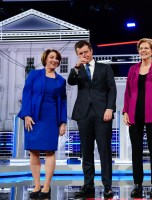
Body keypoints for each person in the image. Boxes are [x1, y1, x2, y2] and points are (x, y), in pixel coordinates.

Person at [123, 38, 152, 198]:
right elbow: (128, 92)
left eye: (146, 48)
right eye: (141, 48)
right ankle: (137, 185)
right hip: (134, 113)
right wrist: (125, 111)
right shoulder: (132, 69)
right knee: (136, 151)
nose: (143, 50)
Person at [68, 40, 117, 198]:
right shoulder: (78, 70)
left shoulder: (105, 67)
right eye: (80, 53)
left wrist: (110, 108)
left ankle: (107, 186)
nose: (84, 55)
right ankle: (88, 184)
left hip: (103, 114)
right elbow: (71, 81)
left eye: (86, 52)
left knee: (105, 150)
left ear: (91, 51)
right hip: (84, 115)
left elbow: (112, 89)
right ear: (77, 55)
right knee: (86, 151)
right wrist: (76, 68)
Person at [18, 49, 67, 199]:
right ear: (45, 58)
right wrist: (26, 114)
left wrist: (63, 122)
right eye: (52, 57)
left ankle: (46, 186)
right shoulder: (34, 74)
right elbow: (26, 94)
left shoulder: (61, 80)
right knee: (34, 151)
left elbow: (63, 102)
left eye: (57, 58)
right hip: (34, 117)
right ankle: (37, 185)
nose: (54, 60)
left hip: (52, 117)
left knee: (50, 151)